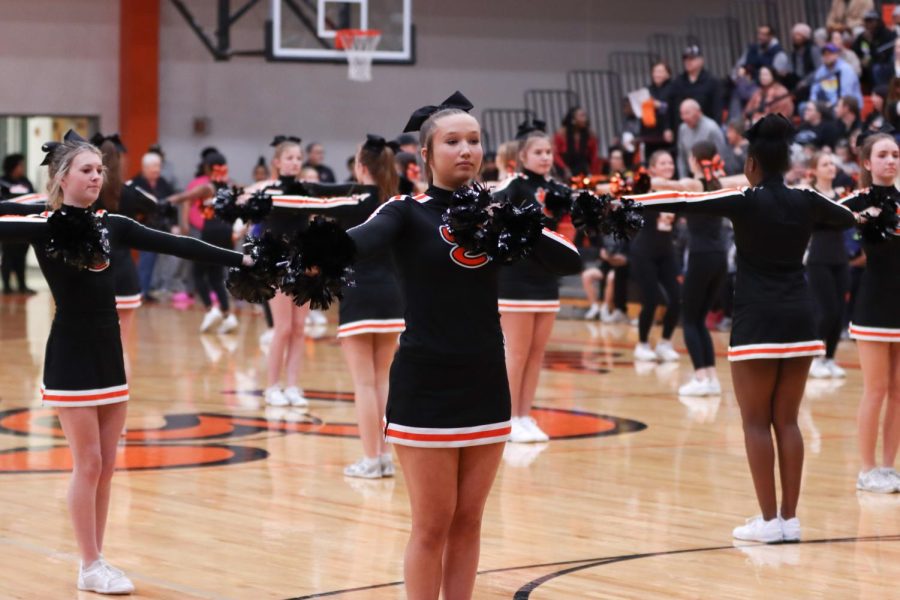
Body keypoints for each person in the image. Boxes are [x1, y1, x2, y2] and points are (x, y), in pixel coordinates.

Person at [341, 93, 581, 599]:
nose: (466, 150)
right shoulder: (406, 211)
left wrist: (519, 222)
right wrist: (318, 250)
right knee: (431, 525)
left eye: (474, 140)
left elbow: (568, 260)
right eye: (452, 141)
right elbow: (360, 239)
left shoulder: (499, 212)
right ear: (426, 155)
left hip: (485, 382)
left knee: (469, 521)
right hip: (426, 385)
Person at [0, 132, 252, 594]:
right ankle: (89, 562)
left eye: (100, 170)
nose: (97, 177)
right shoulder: (42, 224)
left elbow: (178, 245)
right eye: (86, 171)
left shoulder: (113, 224)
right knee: (89, 463)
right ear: (61, 178)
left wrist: (241, 258)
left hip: (109, 352)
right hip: (71, 353)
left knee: (108, 464)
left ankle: (96, 559)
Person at [624, 114, 856, 543]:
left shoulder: (743, 200)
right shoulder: (806, 199)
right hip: (801, 320)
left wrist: (627, 202)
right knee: (787, 421)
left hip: (756, 321)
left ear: (751, 164)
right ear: (785, 163)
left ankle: (768, 522)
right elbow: (846, 215)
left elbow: (683, 202)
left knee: (755, 422)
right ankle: (790, 519)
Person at [264, 134, 405, 476]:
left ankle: (371, 459)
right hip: (393, 297)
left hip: (360, 295)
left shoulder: (352, 200)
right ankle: (384, 457)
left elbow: (307, 202)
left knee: (364, 384)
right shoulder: (398, 201)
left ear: (360, 166)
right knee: (383, 381)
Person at [494, 121, 568, 443]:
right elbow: (490, 204)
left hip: (546, 280)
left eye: (549, 152)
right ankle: (506, 419)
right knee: (517, 353)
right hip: (516, 281)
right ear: (523, 156)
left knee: (537, 353)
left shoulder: (557, 189)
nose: (545, 157)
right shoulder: (514, 184)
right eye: (538, 152)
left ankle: (524, 416)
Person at [841, 133, 900, 492]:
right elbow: (823, 220)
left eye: (895, 154)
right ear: (867, 162)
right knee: (875, 389)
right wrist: (860, 218)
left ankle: (889, 468)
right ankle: (867, 469)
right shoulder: (855, 201)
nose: (891, 161)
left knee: (898, 391)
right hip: (873, 304)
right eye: (883, 155)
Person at [630, 150, 682, 362]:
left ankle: (665, 342)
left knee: (677, 299)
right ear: (652, 168)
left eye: (670, 162)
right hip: (644, 251)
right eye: (663, 163)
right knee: (650, 300)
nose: (668, 166)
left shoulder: (678, 190)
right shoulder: (645, 188)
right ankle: (642, 344)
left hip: (667, 250)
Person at [805, 152, 851, 379]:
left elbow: (847, 220)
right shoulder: (810, 194)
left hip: (840, 258)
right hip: (819, 259)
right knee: (827, 311)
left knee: (839, 312)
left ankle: (829, 359)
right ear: (814, 169)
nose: (831, 167)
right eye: (825, 164)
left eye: (833, 163)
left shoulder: (842, 194)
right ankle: (813, 358)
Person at [129, 152, 176, 301]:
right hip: (144, 228)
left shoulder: (163, 183)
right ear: (145, 168)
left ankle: (155, 288)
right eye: (154, 166)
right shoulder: (135, 183)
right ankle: (141, 291)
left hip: (162, 228)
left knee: (164, 261)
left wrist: (175, 224)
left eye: (159, 166)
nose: (157, 169)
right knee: (146, 260)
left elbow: (171, 205)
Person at [1, 153, 36, 294]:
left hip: (24, 222)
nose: (22, 168)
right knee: (8, 255)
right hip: (8, 223)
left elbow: (33, 198)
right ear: (12, 166)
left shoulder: (25, 182)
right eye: (20, 165)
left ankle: (22, 285)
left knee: (21, 255)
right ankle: (7, 286)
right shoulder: (2, 182)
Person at [668, 45, 722, 128]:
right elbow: (672, 107)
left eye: (692, 59)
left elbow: (717, 108)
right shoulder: (678, 82)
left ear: (701, 61)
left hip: (706, 127)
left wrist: (716, 126)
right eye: (685, 59)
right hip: (684, 128)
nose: (688, 62)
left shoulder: (711, 81)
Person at [676, 99, 727, 178]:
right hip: (691, 175)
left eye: (687, 113)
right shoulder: (682, 128)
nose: (683, 117)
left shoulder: (711, 128)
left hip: (712, 176)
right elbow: (681, 156)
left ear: (698, 112)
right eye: (681, 114)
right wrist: (683, 178)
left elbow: (722, 155)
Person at [810, 43, 863, 110]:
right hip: (830, 105)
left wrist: (830, 105)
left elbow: (845, 95)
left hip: (849, 106)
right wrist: (813, 105)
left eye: (830, 54)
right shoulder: (821, 71)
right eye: (824, 54)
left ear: (837, 55)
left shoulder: (845, 69)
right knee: (804, 107)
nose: (827, 56)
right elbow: (814, 91)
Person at [852, 10, 896, 90]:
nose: (868, 24)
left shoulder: (887, 34)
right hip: (865, 67)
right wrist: (860, 60)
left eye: (871, 21)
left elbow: (883, 56)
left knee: (876, 68)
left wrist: (871, 43)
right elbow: (854, 51)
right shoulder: (862, 37)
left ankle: (879, 92)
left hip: (883, 66)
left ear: (878, 22)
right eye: (866, 21)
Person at [553, 106, 601, 178]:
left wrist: (593, 174)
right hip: (564, 171)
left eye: (585, 116)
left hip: (583, 171)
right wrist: (565, 168)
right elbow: (555, 155)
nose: (585, 119)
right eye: (581, 116)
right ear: (573, 119)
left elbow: (594, 157)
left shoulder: (590, 135)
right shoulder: (561, 134)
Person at [642, 61, 676, 156]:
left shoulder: (673, 88)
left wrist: (660, 105)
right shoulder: (648, 89)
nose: (657, 74)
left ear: (668, 74)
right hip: (650, 131)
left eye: (660, 71)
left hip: (667, 130)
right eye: (655, 71)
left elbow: (674, 109)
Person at [786, 23, 822, 101]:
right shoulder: (793, 53)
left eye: (798, 35)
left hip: (811, 83)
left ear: (805, 37)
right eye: (794, 35)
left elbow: (819, 69)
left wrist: (805, 81)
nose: (795, 37)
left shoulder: (813, 50)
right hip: (797, 84)